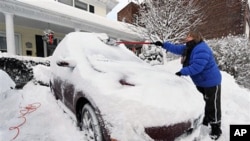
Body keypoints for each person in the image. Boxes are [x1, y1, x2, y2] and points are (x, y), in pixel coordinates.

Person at [153, 31, 222, 140]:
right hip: (200, 82)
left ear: (195, 37)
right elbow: (176, 49)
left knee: (213, 104)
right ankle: (207, 119)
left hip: (211, 81)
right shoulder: (189, 47)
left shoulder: (201, 49)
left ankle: (216, 127)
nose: (186, 37)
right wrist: (163, 44)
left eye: (189, 36)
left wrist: (182, 72)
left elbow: (197, 67)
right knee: (206, 101)